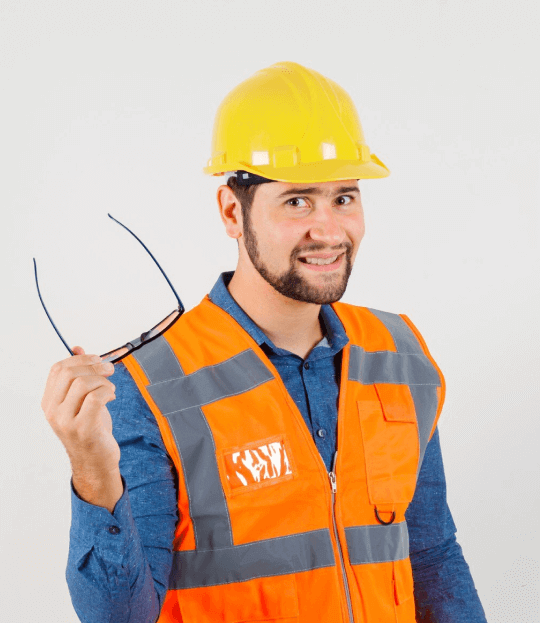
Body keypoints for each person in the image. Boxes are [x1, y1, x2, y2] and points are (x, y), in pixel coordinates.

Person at [41, 61, 487, 622]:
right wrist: (93, 470)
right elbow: (121, 616)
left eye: (344, 198)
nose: (328, 230)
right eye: (297, 201)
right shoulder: (151, 387)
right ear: (233, 211)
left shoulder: (398, 354)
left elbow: (431, 556)